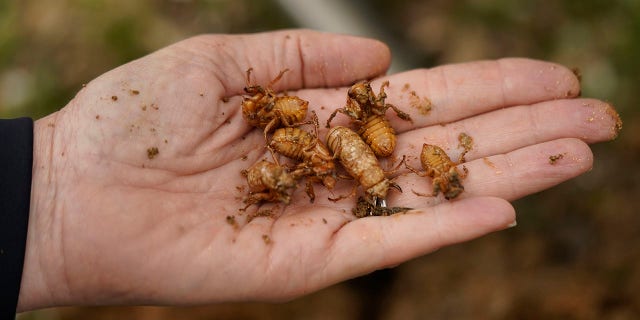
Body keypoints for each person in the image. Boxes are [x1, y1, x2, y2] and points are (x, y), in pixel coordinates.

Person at [0, 29, 620, 317]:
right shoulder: (299, 146)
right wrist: (47, 188)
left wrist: (45, 191)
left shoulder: (352, 147)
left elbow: (348, 148)